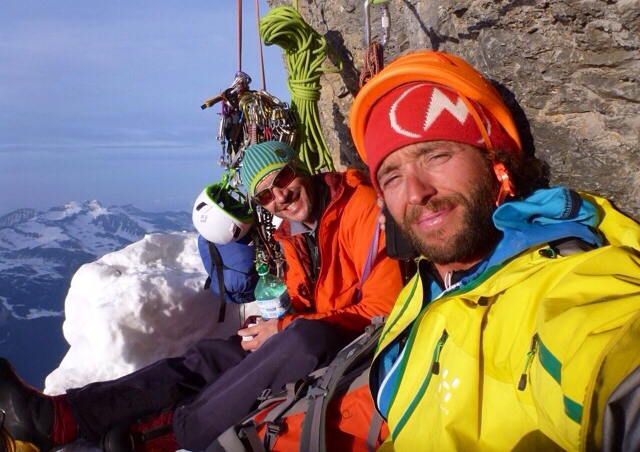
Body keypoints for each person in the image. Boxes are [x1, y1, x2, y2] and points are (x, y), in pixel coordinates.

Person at [0, 140, 403, 452]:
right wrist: (271, 325)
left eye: (282, 179)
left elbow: (383, 309)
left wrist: (284, 326)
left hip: (357, 345)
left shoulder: (360, 209)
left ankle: (166, 434)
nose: (279, 197)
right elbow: (310, 301)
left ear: (298, 168)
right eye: (265, 195)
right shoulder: (297, 230)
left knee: (299, 341)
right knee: (208, 358)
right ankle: (62, 418)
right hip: (322, 332)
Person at [348, 50, 640, 451]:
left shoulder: (560, 277)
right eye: (392, 176)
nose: (415, 193)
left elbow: (606, 350)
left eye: (436, 155)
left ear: (496, 162)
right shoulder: (424, 284)